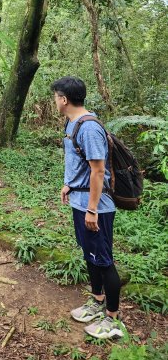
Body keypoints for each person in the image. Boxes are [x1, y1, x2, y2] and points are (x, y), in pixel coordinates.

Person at [51, 76, 126, 339]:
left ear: (64, 99)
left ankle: (113, 319)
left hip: (96, 207)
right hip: (80, 201)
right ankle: (97, 300)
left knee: (104, 260)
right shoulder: (72, 123)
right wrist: (68, 184)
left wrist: (92, 209)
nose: (55, 101)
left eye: (56, 97)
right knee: (90, 254)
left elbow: (98, 170)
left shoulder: (89, 128)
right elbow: (78, 163)